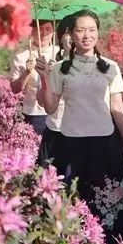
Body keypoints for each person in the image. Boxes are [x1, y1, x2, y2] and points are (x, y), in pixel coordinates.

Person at [36, 9, 123, 243]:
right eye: (80, 30)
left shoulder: (110, 67)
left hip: (104, 142)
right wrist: (43, 78)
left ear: (98, 33)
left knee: (107, 201)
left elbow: (117, 107)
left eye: (91, 30)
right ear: (71, 35)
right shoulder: (60, 68)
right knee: (73, 199)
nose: (86, 35)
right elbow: (50, 108)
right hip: (70, 142)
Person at [37, 16, 74, 169]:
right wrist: (45, 76)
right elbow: (41, 102)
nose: (72, 37)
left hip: (80, 133)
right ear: (60, 37)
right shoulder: (54, 65)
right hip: (55, 128)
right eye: (68, 32)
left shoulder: (97, 65)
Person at [9, 20, 56, 135]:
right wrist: (27, 72)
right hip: (33, 113)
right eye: (39, 29)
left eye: (48, 29)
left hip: (58, 114)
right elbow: (15, 89)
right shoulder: (21, 55)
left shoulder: (59, 54)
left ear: (53, 32)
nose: (43, 33)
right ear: (31, 31)